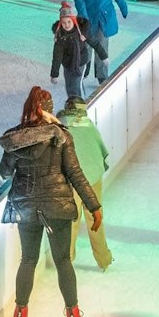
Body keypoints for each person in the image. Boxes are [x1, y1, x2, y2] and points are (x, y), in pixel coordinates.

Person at [0, 86, 101, 317]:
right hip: (58, 207)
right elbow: (75, 174)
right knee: (63, 261)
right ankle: (74, 314)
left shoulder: (16, 138)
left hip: (26, 208)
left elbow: (3, 172)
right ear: (48, 110)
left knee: (28, 259)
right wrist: (94, 206)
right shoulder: (61, 136)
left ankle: (20, 310)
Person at [58, 96, 112, 271]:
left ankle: (67, 259)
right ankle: (104, 259)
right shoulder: (87, 124)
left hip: (72, 181)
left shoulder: (59, 127)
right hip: (92, 179)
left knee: (72, 220)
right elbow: (100, 148)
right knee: (95, 218)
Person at [71, 0, 128, 83]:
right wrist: (84, 16)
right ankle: (85, 68)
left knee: (102, 44)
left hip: (104, 17)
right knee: (87, 45)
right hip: (88, 17)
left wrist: (123, 6)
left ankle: (102, 75)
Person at [50, 8, 102, 105]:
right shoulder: (60, 36)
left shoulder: (81, 33)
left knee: (76, 85)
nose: (67, 25)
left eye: (69, 22)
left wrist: (103, 56)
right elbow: (57, 56)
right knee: (69, 85)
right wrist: (54, 74)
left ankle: (82, 106)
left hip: (80, 61)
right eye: (64, 22)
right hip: (67, 63)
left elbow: (94, 43)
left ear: (73, 21)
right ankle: (72, 105)